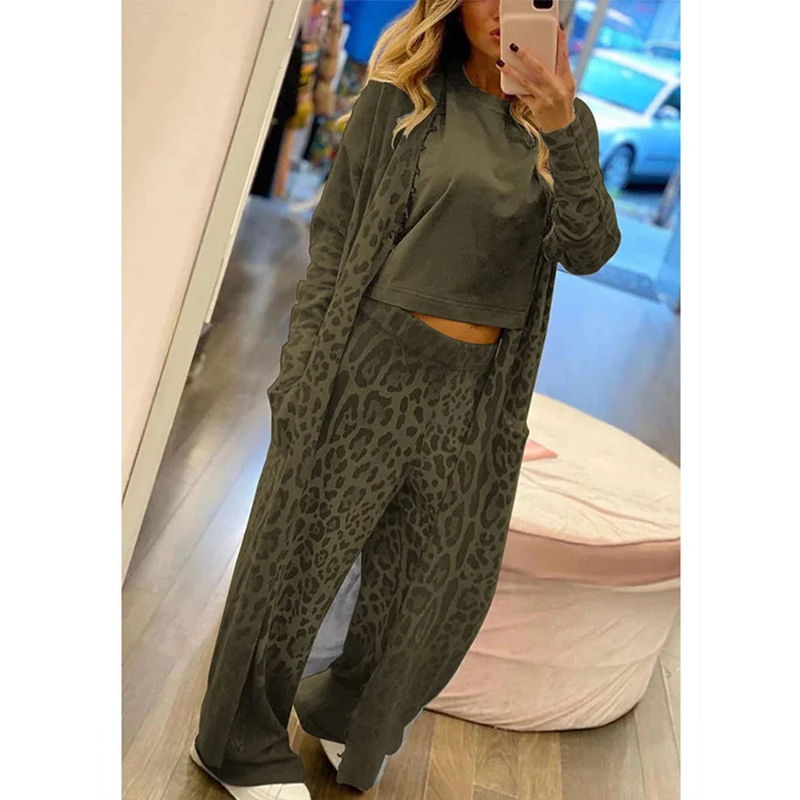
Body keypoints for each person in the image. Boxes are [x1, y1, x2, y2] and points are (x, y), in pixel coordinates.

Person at [190, 2, 621, 799]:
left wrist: (561, 128)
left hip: (478, 393)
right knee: (299, 567)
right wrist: (303, 376)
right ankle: (238, 743)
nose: (504, 11)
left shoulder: (568, 123)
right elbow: (334, 245)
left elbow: (590, 250)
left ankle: (345, 710)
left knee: (428, 589)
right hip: (373, 368)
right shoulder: (405, 96)